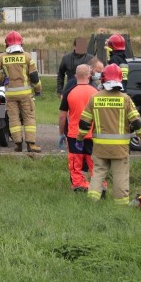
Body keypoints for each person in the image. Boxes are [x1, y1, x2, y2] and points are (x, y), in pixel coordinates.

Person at [76, 63, 141, 204]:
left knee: (98, 174)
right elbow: (137, 123)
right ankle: (120, 205)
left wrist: (80, 139)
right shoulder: (125, 99)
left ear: (103, 79)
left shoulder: (95, 98)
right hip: (119, 149)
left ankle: (92, 201)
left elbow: (84, 123)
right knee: (120, 176)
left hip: (100, 147)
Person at [0, 31, 43, 152]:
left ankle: (17, 144)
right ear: (21, 43)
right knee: (29, 118)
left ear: (6, 44)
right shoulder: (27, 57)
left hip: (10, 94)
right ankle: (31, 145)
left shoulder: (2, 57)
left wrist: (2, 77)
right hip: (26, 95)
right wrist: (38, 90)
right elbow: (34, 77)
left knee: (13, 119)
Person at [58, 64, 99, 192]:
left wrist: (61, 134)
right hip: (92, 134)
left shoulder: (69, 92)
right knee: (94, 162)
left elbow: (62, 116)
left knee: (76, 163)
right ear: (89, 75)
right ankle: (98, 186)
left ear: (76, 76)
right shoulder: (96, 92)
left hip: (74, 135)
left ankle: (78, 185)